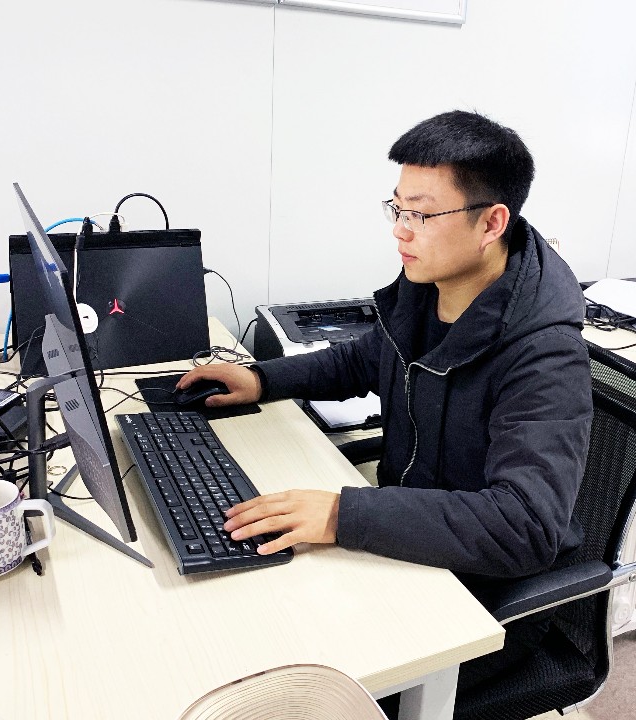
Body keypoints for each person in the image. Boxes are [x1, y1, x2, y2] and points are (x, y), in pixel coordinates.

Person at [178, 110, 593, 711]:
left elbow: (523, 528)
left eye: (421, 214)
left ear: (492, 222)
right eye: (396, 209)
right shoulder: (428, 290)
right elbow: (365, 359)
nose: (400, 231)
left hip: (483, 599)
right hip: (407, 547)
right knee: (236, 617)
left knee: (292, 691)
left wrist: (343, 514)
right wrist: (261, 379)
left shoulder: (545, 354)